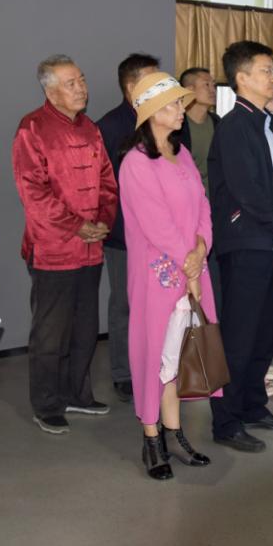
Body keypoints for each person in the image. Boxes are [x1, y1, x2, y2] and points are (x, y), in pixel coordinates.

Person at [13, 55, 118, 434]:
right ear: (50, 90)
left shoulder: (90, 128)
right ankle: (47, 403)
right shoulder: (32, 128)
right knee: (50, 332)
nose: (82, 88)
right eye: (71, 83)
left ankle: (77, 394)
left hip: (90, 249)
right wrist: (76, 225)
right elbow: (33, 192)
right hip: (53, 250)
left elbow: (107, 181)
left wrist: (103, 220)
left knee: (85, 328)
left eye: (82, 80)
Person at [119, 72, 214, 479]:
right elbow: (155, 223)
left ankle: (174, 433)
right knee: (153, 352)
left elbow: (202, 205)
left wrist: (201, 248)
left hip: (192, 266)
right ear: (152, 111)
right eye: (174, 104)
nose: (181, 110)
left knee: (178, 355)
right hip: (157, 275)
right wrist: (188, 262)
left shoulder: (182, 153)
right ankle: (151, 437)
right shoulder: (136, 163)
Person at [207, 40, 273, 452]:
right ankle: (226, 422)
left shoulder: (265, 123)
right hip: (245, 241)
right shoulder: (234, 126)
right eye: (265, 70)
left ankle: (253, 406)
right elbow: (246, 190)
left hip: (270, 239)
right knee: (239, 336)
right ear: (241, 78)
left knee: (262, 333)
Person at [96, 53, 160, 401]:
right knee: (125, 304)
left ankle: (157, 365)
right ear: (131, 86)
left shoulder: (163, 118)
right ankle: (123, 372)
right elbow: (103, 186)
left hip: (161, 233)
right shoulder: (109, 126)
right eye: (153, 79)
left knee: (159, 304)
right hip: (125, 235)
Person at [178, 66, 218, 190]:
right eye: (206, 85)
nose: (213, 90)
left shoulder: (218, 123)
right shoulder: (177, 126)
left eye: (214, 85)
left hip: (216, 197)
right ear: (190, 90)